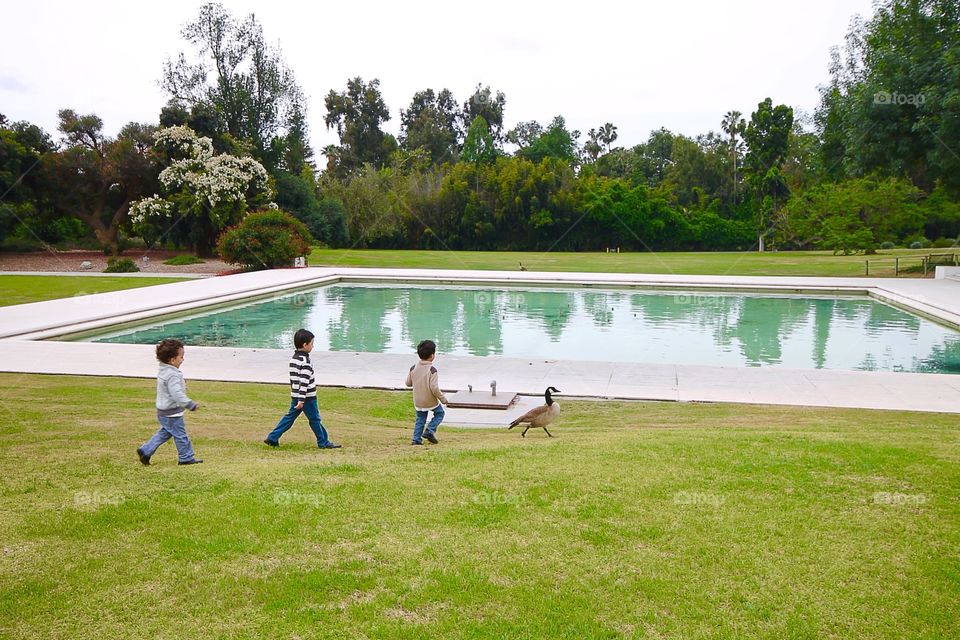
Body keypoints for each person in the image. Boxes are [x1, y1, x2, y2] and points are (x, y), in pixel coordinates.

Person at [264, 329, 342, 449]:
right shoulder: (305, 361)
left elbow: (293, 380)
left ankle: (273, 437)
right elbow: (304, 382)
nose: (313, 346)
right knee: (315, 419)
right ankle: (323, 442)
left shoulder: (294, 359)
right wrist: (301, 400)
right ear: (305, 345)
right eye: (311, 343)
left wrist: (296, 396)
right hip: (307, 398)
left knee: (289, 418)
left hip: (296, 395)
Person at [137, 338, 202, 466]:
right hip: (171, 413)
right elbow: (176, 393)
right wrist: (189, 404)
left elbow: (172, 388)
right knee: (181, 436)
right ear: (172, 360)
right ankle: (186, 457)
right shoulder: (172, 374)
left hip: (164, 411)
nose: (183, 360)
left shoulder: (165, 370)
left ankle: (145, 450)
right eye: (181, 357)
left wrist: (182, 384)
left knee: (165, 433)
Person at [404, 339, 448, 445]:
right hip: (429, 400)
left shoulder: (413, 368)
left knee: (420, 419)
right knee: (440, 413)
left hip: (418, 401)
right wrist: (443, 399)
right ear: (432, 355)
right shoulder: (432, 370)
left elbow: (408, 383)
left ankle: (416, 439)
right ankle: (430, 430)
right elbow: (434, 388)